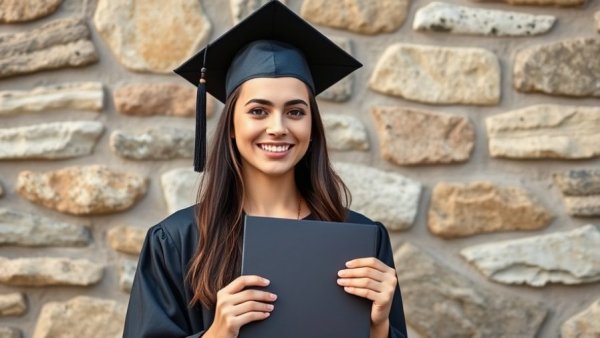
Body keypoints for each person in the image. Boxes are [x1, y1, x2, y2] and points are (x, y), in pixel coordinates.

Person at [123, 2, 407, 337]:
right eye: (258, 111)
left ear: (313, 126)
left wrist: (377, 325)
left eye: (296, 112)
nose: (278, 127)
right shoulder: (176, 241)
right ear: (231, 125)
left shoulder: (360, 239)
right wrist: (219, 333)